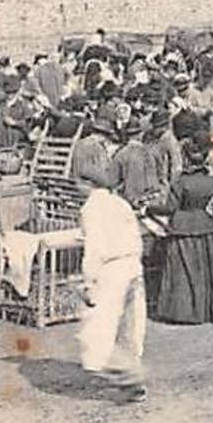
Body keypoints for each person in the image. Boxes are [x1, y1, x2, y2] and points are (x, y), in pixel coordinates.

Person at [76, 161, 147, 401]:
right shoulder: (120, 203)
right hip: (132, 265)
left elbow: (94, 248)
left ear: (88, 185)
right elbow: (136, 237)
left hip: (111, 270)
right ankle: (131, 372)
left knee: (101, 326)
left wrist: (89, 282)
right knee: (129, 325)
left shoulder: (91, 209)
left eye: (79, 182)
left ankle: (127, 376)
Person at [146, 135, 213, 325]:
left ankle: (182, 312)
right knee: (205, 270)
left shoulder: (180, 182)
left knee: (182, 272)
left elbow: (170, 208)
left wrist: (148, 209)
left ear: (186, 158)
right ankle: (206, 310)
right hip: (205, 225)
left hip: (182, 227)